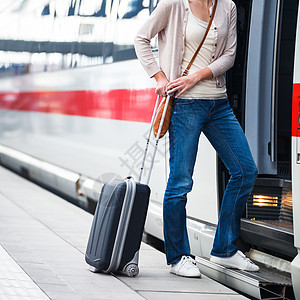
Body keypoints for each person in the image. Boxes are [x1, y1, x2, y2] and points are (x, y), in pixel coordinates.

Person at [134, 0, 259, 278]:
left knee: (245, 170)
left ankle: (225, 249)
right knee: (180, 182)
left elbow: (229, 55)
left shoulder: (227, 6)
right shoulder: (174, 4)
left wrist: (197, 76)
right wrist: (159, 77)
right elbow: (141, 37)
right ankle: (178, 256)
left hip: (218, 104)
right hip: (185, 105)